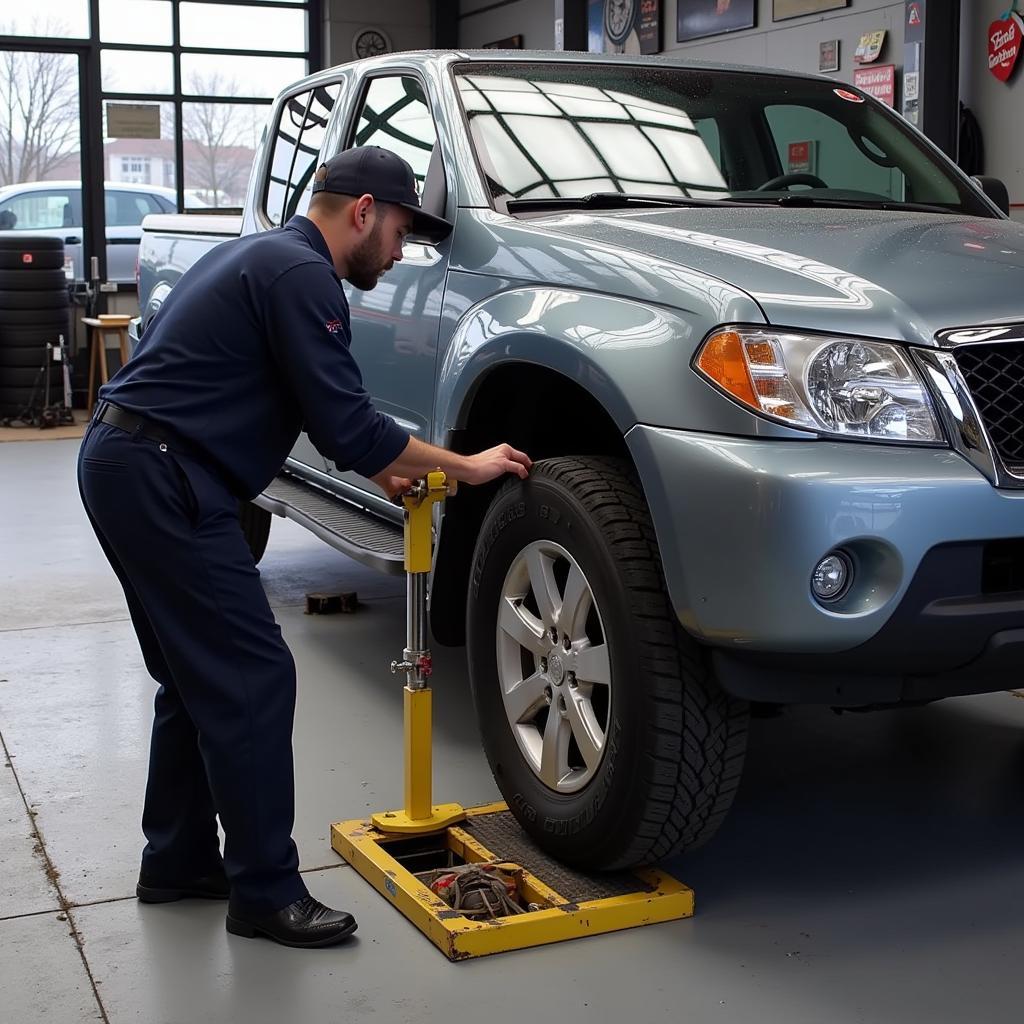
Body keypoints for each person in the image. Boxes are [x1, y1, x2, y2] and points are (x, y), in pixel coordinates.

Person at [77, 146, 532, 950]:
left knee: (194, 678)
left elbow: (321, 416)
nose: (396, 257)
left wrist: (390, 465)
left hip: (129, 465)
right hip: (164, 478)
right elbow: (349, 427)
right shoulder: (303, 276)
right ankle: (264, 892)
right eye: (397, 234)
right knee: (252, 675)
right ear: (362, 211)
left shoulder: (269, 259)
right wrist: (466, 464)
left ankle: (178, 861)